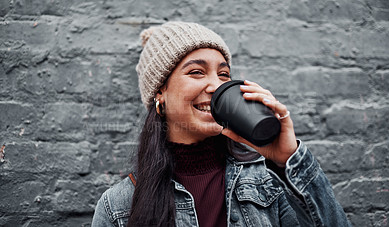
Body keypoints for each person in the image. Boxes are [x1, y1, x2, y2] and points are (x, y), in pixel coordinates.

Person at [91, 21, 351, 227]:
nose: (217, 86)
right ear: (160, 92)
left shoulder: (268, 182)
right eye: (196, 72)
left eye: (224, 74)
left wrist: (288, 160)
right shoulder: (119, 206)